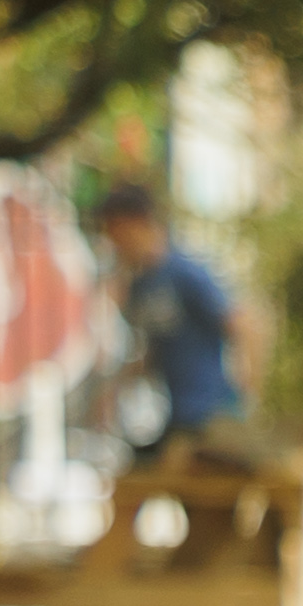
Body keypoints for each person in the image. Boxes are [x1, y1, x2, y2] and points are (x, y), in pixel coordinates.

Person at [87, 183, 244, 456]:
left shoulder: (184, 273)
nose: (113, 244)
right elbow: (156, 350)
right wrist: (113, 391)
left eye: (114, 233)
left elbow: (243, 323)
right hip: (178, 415)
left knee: (154, 477)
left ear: (135, 224)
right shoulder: (140, 286)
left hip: (210, 415)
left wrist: (245, 393)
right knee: (134, 477)